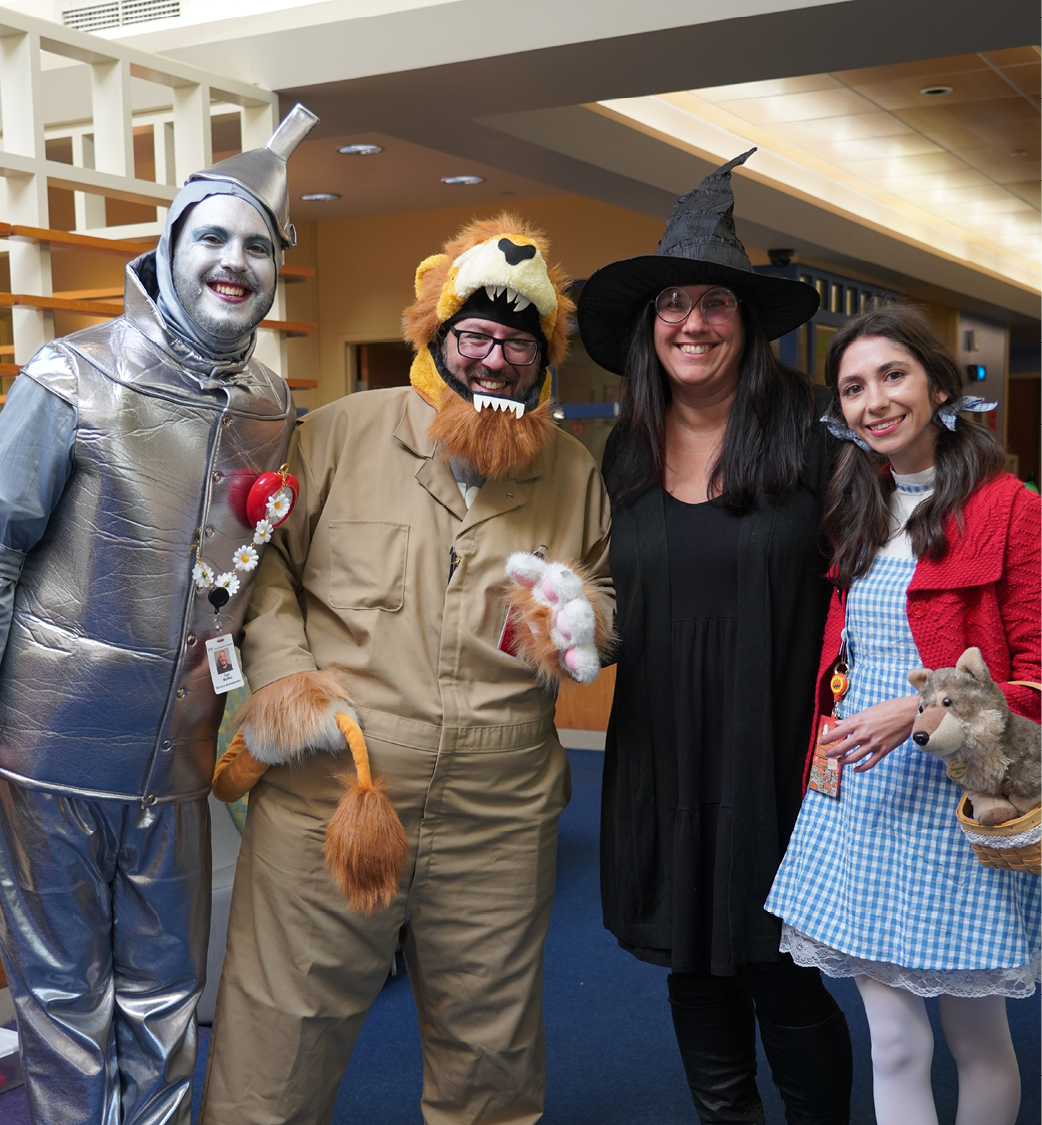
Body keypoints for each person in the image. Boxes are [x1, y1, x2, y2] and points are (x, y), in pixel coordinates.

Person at [199, 214, 615, 1125]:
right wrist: (287, 681)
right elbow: (261, 571)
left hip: (498, 812)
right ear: (437, 335)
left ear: (545, 355)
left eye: (518, 341)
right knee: (276, 1044)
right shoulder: (339, 433)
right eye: (475, 335)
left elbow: (598, 604)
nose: (495, 360)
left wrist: (584, 619)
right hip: (332, 787)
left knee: (492, 1063)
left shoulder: (575, 470)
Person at [0, 105, 316, 1124]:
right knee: (58, 999)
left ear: (276, 268)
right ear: (170, 248)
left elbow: (247, 571)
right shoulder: (69, 375)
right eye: (212, 238)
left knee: (171, 995)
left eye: (257, 245)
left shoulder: (269, 405)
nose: (235, 261)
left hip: (179, 755)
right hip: (50, 748)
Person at [576, 149, 853, 1124]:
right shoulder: (624, 450)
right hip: (660, 747)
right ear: (651, 330)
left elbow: (868, 592)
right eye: (671, 307)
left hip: (776, 749)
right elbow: (601, 588)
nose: (690, 323)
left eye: (713, 303)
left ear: (743, 323)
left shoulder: (814, 439)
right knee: (690, 968)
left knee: (776, 970)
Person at [766, 303, 1040, 1125]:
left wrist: (921, 710)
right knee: (892, 1042)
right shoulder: (859, 503)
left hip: (954, 805)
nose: (873, 401)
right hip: (859, 800)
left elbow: (1033, 678)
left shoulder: (1011, 506)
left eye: (893, 375)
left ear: (939, 385)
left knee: (977, 1038)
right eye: (853, 387)